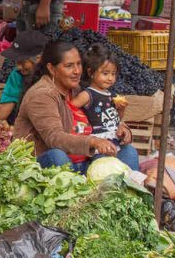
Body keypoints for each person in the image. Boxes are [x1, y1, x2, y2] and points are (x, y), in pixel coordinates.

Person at [13, 41, 138, 174]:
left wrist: (122, 129)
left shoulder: (77, 90)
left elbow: (101, 116)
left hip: (82, 161)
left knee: (128, 151)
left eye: (78, 64)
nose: (77, 71)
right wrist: (94, 141)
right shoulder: (41, 95)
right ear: (51, 69)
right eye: (69, 66)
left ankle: (127, 192)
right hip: (41, 163)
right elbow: (54, 138)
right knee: (57, 156)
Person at [70, 44, 138, 171]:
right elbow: (70, 108)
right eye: (105, 73)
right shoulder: (88, 94)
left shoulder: (111, 95)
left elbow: (116, 118)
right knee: (104, 170)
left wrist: (121, 110)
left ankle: (134, 183)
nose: (110, 78)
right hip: (99, 145)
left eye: (113, 74)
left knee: (131, 153)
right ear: (90, 72)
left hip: (115, 141)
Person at [0, 30, 48, 126]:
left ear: (38, 59)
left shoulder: (54, 74)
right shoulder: (17, 75)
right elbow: (3, 109)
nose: (18, 67)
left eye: (22, 62)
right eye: (17, 62)